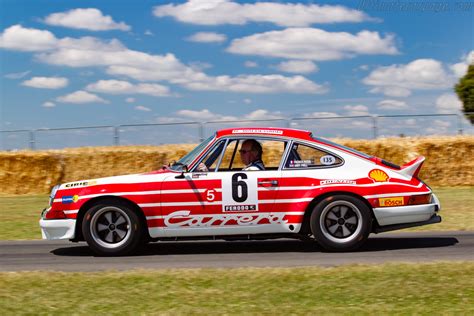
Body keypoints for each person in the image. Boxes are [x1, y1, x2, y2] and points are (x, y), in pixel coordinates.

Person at [197, 139, 265, 171]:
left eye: (243, 151)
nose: (241, 154)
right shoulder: (254, 167)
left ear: (255, 153)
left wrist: (207, 173)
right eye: (240, 151)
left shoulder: (253, 170)